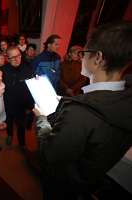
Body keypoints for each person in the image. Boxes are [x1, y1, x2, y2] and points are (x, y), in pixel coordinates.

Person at [33, 21, 132, 200]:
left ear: (98, 58)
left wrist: (42, 119)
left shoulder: (80, 113)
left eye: (84, 53)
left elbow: (49, 155)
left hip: (64, 184)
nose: (81, 58)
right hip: (90, 180)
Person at [3, 46, 34, 148]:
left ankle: (22, 144)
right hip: (7, 104)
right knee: (9, 122)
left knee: (21, 126)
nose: (17, 59)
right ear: (8, 58)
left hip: (21, 106)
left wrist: (31, 106)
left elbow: (32, 90)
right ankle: (10, 135)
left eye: (18, 56)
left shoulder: (28, 69)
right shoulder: (4, 70)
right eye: (13, 57)